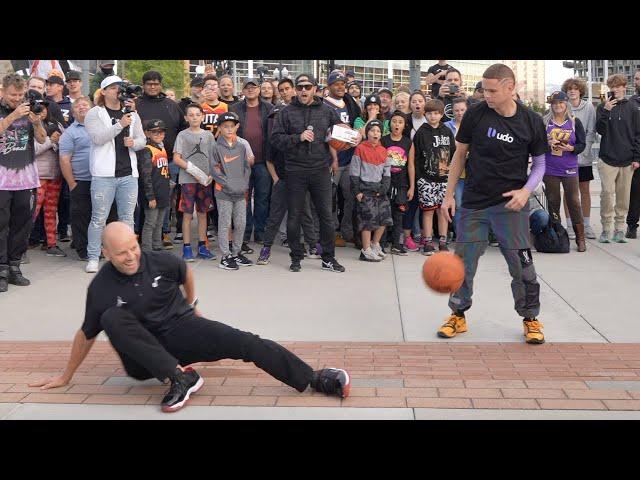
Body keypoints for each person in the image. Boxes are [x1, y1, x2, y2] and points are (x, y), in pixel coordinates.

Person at [28, 222, 352, 413]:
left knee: (245, 342)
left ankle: (312, 378)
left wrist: (193, 304)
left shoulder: (161, 261)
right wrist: (66, 376)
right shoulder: (101, 287)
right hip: (144, 358)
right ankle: (177, 377)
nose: (130, 257)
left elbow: (185, 273)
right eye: (121, 253)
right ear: (106, 255)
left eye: (133, 248)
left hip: (183, 329)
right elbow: (86, 334)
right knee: (111, 317)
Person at [439, 63, 548, 344]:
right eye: (484, 90)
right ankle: (458, 315)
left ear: (510, 87)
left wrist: (526, 191)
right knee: (463, 263)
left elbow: (540, 164)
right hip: (474, 203)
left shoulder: (531, 121)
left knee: (522, 265)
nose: (485, 95)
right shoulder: (476, 114)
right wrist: (448, 195)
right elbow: (459, 155)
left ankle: (530, 319)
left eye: (492, 90)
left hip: (511, 206)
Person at [270, 73, 348, 273]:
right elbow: (276, 139)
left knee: (326, 216)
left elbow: (340, 133)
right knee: (294, 217)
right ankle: (296, 257)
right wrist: (298, 137)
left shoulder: (326, 110)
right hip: (295, 170)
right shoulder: (286, 113)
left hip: (320, 169)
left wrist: (349, 139)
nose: (303, 90)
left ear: (315, 88)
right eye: (300, 87)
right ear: (296, 90)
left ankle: (328, 258)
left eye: (307, 87)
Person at [84, 75, 147, 273]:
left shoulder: (132, 113)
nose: (117, 90)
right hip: (104, 175)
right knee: (98, 218)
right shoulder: (95, 113)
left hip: (128, 174)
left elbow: (142, 140)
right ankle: (93, 256)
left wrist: (134, 143)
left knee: (127, 219)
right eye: (112, 87)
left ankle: (128, 257)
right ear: (103, 91)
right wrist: (120, 124)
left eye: (119, 86)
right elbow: (97, 138)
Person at [0, 74, 47, 293]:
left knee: (22, 223)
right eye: (13, 95)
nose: (17, 99)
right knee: (2, 224)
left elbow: (41, 139)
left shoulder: (29, 109)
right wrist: (12, 117)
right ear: (3, 91)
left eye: (20, 95)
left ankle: (14, 267)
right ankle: (1, 269)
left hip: (26, 177)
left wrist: (37, 123)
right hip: (2, 178)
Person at [258, 101, 319, 265]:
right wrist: (276, 179)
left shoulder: (298, 135)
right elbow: (269, 161)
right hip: (283, 180)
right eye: (274, 117)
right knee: (275, 216)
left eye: (280, 117)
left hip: (300, 181)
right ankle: (266, 248)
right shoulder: (274, 138)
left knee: (305, 214)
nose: (277, 120)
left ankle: (313, 245)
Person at [135, 70, 188, 249]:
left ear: (160, 85)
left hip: (170, 159)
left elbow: (183, 128)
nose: (152, 86)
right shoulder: (136, 104)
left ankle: (163, 234)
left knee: (165, 201)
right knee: (146, 202)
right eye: (149, 83)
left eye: (156, 83)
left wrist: (179, 152)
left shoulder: (171, 105)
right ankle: (141, 237)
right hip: (143, 159)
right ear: (143, 85)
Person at [230, 78, 274, 252]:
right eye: (247, 87)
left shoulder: (269, 109)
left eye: (253, 87)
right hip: (241, 163)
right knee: (244, 199)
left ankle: (261, 232)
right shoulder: (235, 109)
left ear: (259, 90)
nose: (250, 90)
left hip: (263, 161)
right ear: (243, 90)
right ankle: (246, 232)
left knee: (263, 198)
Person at [596, 74, 640, 244]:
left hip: (628, 160)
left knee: (623, 198)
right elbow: (600, 130)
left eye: (617, 86)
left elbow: (638, 135)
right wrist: (606, 110)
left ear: (624, 87)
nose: (614, 89)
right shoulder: (603, 107)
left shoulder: (633, 108)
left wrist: (637, 158)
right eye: (611, 86)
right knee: (607, 194)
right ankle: (606, 229)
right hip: (607, 158)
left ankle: (619, 230)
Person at [543, 91, 587, 252]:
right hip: (550, 168)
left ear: (566, 103)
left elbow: (582, 144)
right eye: (554, 103)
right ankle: (558, 236)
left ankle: (580, 238)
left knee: (574, 202)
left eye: (561, 102)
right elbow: (536, 143)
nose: (558, 106)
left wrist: (571, 148)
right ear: (551, 105)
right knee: (553, 201)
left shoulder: (575, 122)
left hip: (569, 168)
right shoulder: (545, 122)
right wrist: (547, 142)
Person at [323, 70, 362, 247]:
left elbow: (358, 122)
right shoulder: (322, 104)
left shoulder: (349, 101)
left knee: (350, 197)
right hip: (332, 161)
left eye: (343, 84)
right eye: (336, 83)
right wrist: (332, 156)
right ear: (329, 86)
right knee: (330, 199)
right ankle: (330, 234)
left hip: (349, 158)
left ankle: (347, 231)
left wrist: (359, 135)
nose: (340, 87)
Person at [210, 111, 254, 269]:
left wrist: (244, 184)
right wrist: (228, 184)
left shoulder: (241, 146)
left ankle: (236, 253)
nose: (229, 129)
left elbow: (246, 167)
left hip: (240, 192)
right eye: (225, 126)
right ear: (220, 128)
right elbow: (215, 170)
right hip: (224, 193)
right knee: (225, 223)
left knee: (241, 223)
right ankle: (225, 256)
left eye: (232, 126)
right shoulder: (215, 147)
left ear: (237, 127)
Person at [172, 103, 216, 261]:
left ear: (202, 116)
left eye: (197, 114)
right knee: (187, 215)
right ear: (186, 118)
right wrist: (192, 170)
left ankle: (203, 246)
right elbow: (176, 158)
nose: (194, 117)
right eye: (191, 115)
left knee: (203, 213)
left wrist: (210, 174)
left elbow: (213, 157)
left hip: (205, 180)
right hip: (187, 180)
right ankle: (187, 248)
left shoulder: (209, 136)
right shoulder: (182, 135)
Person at [414, 99, 456, 255]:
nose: (433, 116)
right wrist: (420, 178)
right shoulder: (421, 132)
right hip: (427, 179)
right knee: (428, 211)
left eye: (436, 113)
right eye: (430, 113)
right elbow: (416, 157)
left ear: (441, 114)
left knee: (443, 211)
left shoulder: (446, 131)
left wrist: (451, 177)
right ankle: (428, 241)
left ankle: (443, 241)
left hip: (445, 179)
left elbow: (453, 154)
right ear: (425, 114)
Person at [351, 120, 392, 261]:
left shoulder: (383, 150)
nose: (375, 133)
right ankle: (366, 249)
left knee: (384, 219)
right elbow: (354, 172)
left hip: (380, 190)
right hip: (365, 189)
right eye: (372, 130)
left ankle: (375, 245)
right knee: (367, 221)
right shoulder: (360, 148)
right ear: (367, 132)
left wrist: (384, 187)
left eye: (378, 131)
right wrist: (357, 190)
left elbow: (387, 171)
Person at [562, 77, 597, 240]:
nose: (572, 91)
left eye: (575, 88)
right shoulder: (562, 106)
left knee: (584, 191)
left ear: (580, 91)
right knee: (569, 192)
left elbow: (591, 132)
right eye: (569, 88)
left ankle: (586, 225)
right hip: (565, 157)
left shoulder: (588, 107)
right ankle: (569, 226)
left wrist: (584, 152)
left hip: (583, 157)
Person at [59, 97, 93, 261]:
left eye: (85, 104)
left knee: (99, 216)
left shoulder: (101, 127)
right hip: (81, 181)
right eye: (78, 106)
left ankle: (99, 246)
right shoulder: (70, 133)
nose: (81, 107)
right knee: (81, 218)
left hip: (102, 180)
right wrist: (72, 184)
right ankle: (83, 250)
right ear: (73, 112)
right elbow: (64, 160)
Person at [32, 103, 66, 257]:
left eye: (44, 107)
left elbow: (66, 147)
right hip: (37, 176)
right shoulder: (28, 124)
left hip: (55, 176)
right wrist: (50, 141)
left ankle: (51, 244)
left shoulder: (57, 124)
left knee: (51, 213)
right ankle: (17, 247)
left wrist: (58, 141)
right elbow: (32, 151)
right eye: (38, 108)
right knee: (31, 212)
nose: (42, 110)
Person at [382, 110, 414, 255]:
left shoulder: (408, 142)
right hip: (385, 182)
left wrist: (412, 186)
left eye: (400, 122)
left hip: (401, 183)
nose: (397, 124)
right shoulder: (384, 140)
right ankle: (380, 243)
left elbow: (411, 165)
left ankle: (396, 244)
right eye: (394, 121)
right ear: (389, 123)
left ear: (404, 125)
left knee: (399, 214)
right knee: (383, 213)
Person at [138, 119, 171, 252]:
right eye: (155, 132)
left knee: (159, 222)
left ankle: (157, 245)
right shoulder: (147, 150)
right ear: (147, 133)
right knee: (150, 222)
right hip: (153, 193)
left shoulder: (162, 148)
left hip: (163, 191)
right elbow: (146, 176)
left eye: (161, 132)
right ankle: (147, 248)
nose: (158, 135)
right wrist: (150, 196)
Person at [402, 90, 429, 252]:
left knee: (425, 206)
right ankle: (407, 237)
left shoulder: (430, 120)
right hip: (407, 168)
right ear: (410, 104)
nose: (417, 104)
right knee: (410, 204)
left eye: (420, 101)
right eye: (414, 101)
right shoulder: (405, 121)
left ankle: (424, 237)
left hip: (426, 169)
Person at [626, 70, 640, 238]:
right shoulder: (631, 102)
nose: (637, 82)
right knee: (635, 193)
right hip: (636, 156)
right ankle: (632, 226)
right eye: (636, 79)